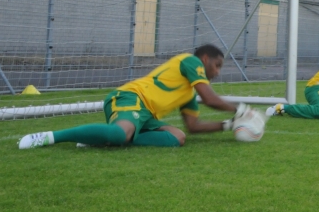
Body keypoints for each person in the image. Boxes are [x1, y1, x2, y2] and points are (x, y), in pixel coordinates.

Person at [19, 45, 255, 149]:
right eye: (217, 65)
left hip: (146, 115)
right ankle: (50, 137)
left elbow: (193, 126)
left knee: (178, 137)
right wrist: (240, 109)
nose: (218, 71)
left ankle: (99, 139)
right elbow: (211, 99)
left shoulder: (189, 92)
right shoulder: (190, 61)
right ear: (205, 60)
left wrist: (227, 125)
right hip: (129, 98)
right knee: (121, 133)